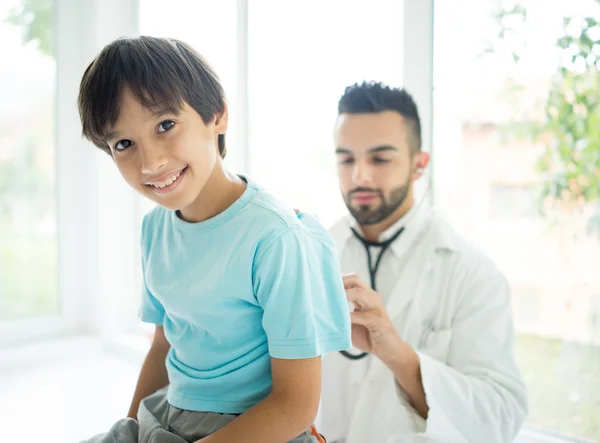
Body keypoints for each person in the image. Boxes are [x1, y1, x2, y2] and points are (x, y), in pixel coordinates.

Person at [76, 36, 352, 443]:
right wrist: (132, 428)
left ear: (217, 115)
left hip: (253, 430)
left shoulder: (274, 238)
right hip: (170, 415)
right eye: (124, 144)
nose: (151, 162)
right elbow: (163, 344)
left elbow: (296, 405)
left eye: (166, 125)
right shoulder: (155, 230)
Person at [313, 82, 528, 443]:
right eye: (346, 159)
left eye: (379, 159)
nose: (360, 175)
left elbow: (501, 416)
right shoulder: (314, 254)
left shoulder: (470, 273)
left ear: (419, 165)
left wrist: (398, 355)